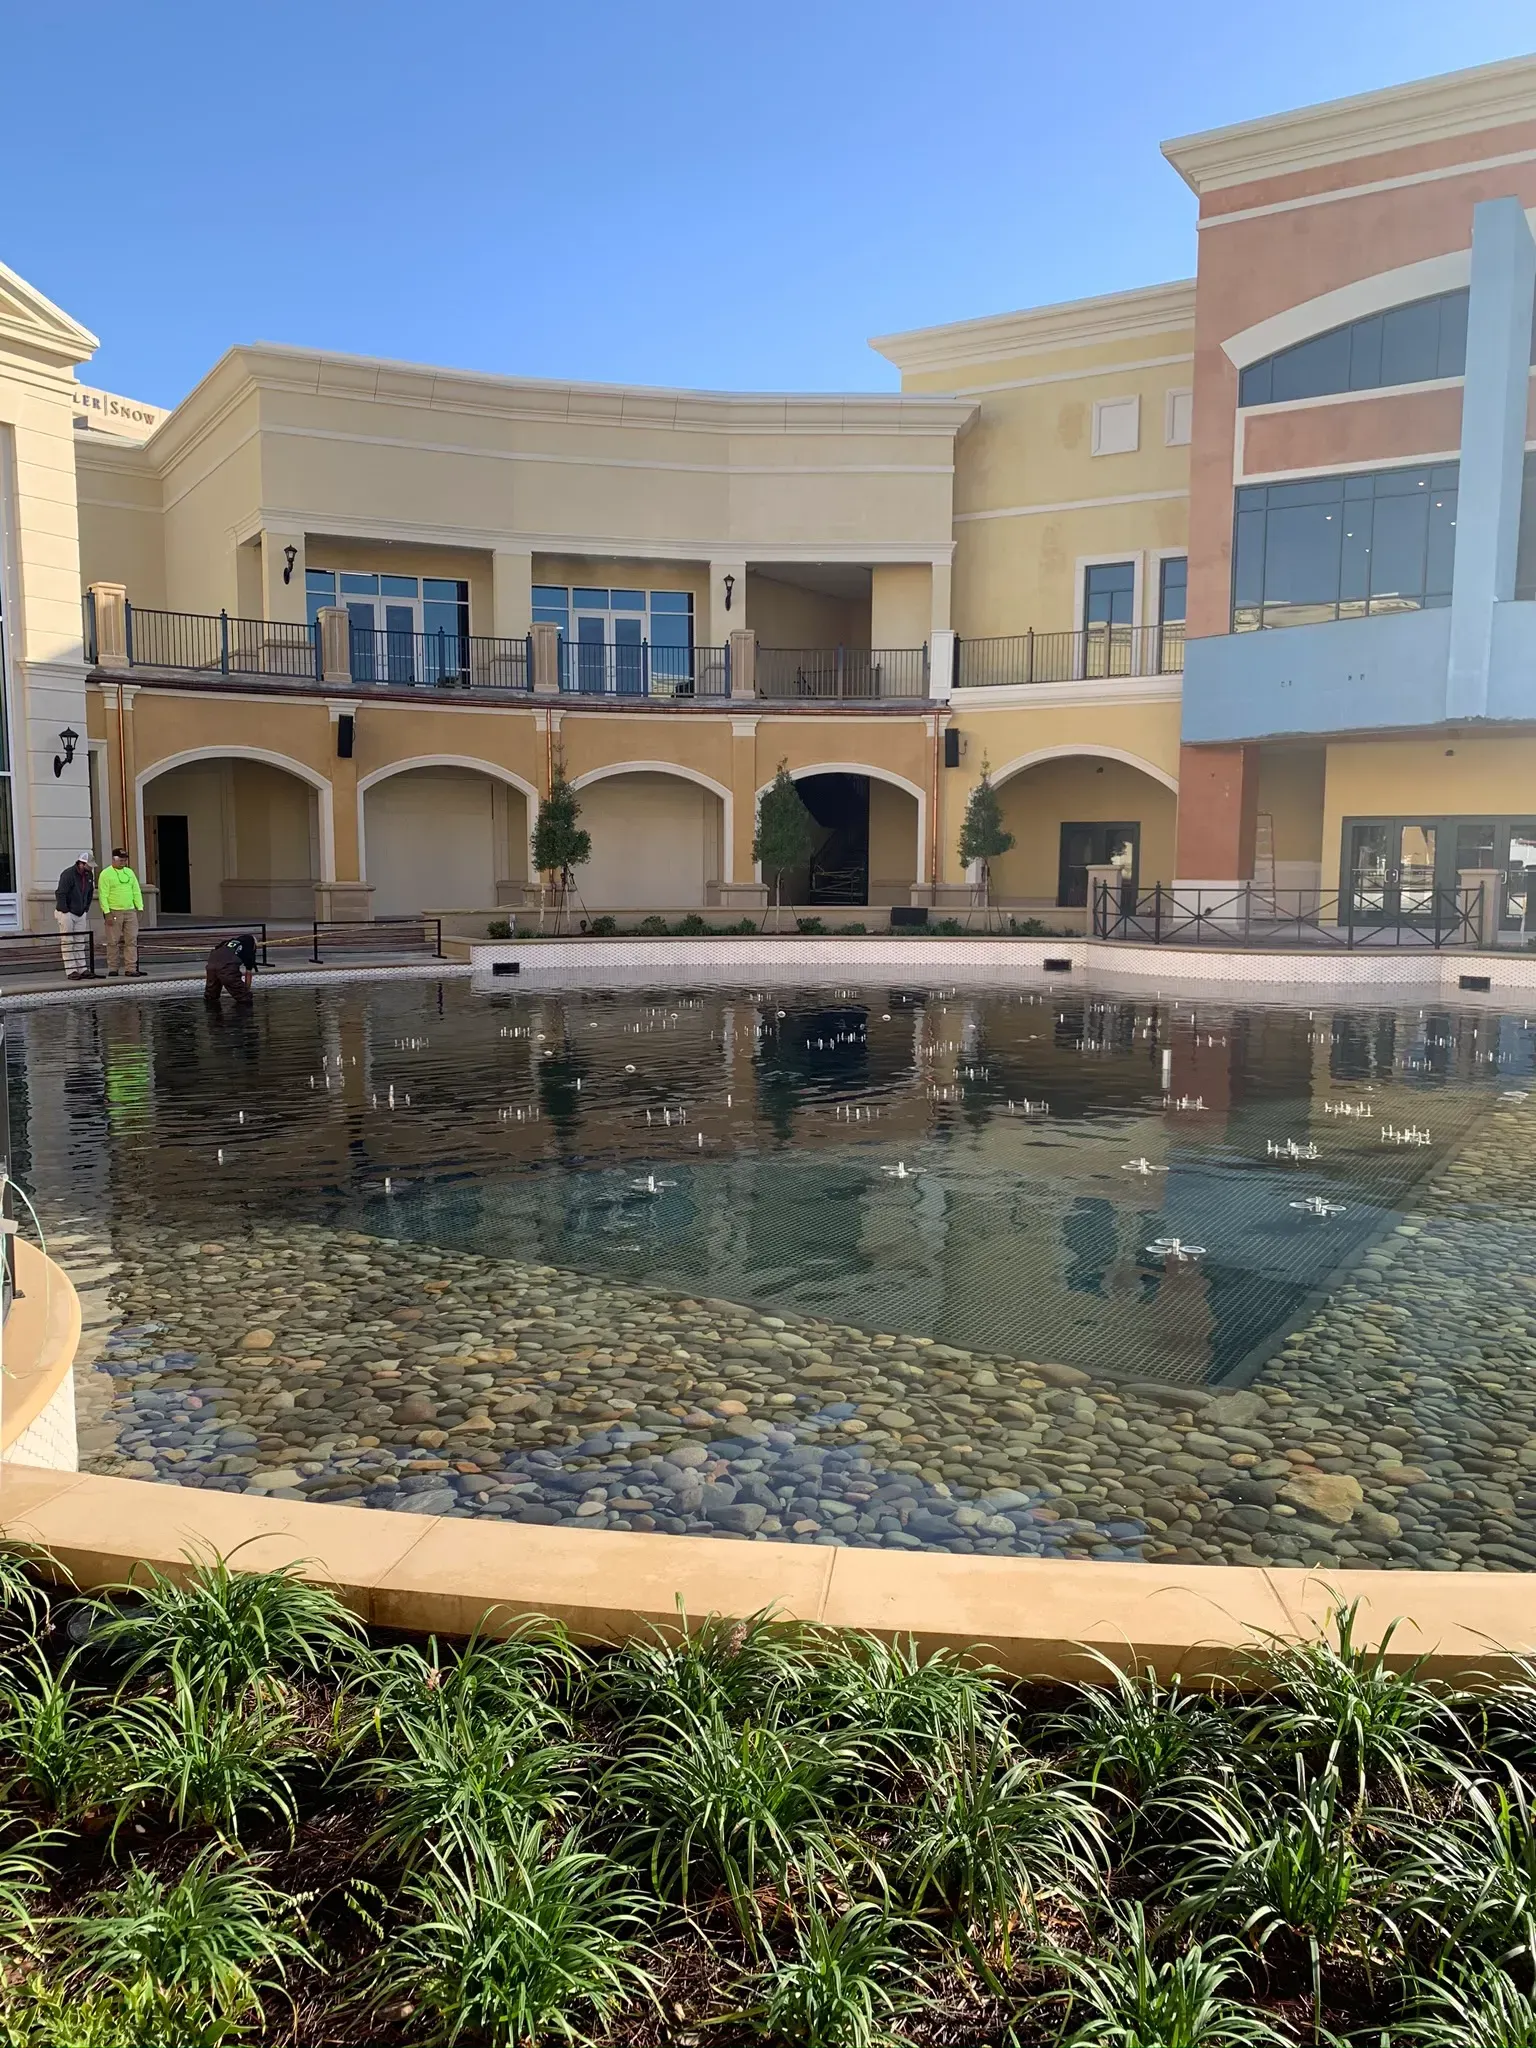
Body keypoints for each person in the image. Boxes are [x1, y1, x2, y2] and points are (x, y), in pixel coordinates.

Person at [97, 847, 146, 978]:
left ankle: (131, 968)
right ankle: (113, 967)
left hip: (130, 911)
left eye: (125, 860)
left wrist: (139, 907)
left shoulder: (130, 873)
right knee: (113, 941)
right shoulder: (106, 874)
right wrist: (106, 912)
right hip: (114, 911)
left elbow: (136, 890)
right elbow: (103, 894)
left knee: (131, 940)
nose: (123, 862)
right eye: (121, 860)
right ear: (114, 859)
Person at [55, 854, 96, 979]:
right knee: (68, 941)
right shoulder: (68, 874)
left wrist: (85, 908)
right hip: (67, 912)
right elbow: (60, 893)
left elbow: (89, 892)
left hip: (80, 912)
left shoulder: (89, 875)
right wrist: (65, 910)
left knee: (80, 940)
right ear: (81, 864)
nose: (91, 868)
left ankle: (82, 968)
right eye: (89, 865)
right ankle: (71, 969)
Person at [204, 931, 257, 1007]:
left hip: (212, 964)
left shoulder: (227, 942)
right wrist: (246, 991)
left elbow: (216, 950)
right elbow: (248, 974)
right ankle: (244, 1017)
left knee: (211, 996)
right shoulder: (248, 949)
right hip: (227, 967)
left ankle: (212, 1016)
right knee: (244, 999)